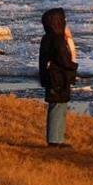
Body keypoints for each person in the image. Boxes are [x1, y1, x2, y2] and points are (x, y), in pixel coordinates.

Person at [38, 8, 79, 148]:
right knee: (58, 107)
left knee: (59, 107)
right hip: (58, 78)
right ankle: (55, 140)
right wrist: (73, 66)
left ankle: (57, 139)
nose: (65, 23)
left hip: (54, 77)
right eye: (63, 20)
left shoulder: (48, 37)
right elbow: (63, 59)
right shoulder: (57, 39)